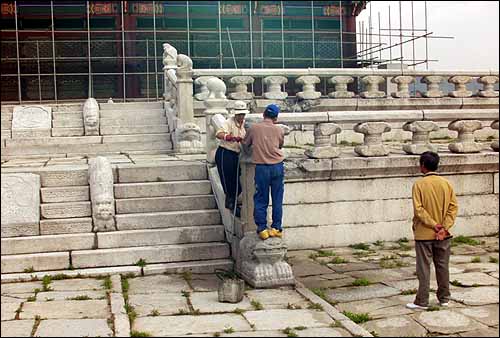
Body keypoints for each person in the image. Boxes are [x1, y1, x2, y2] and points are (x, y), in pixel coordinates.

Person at [406, 151, 458, 310]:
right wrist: (444, 227)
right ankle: (444, 298)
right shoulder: (446, 184)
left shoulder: (419, 185)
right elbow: (453, 208)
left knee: (424, 268)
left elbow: (419, 210)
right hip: (443, 235)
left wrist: (434, 225)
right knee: (443, 266)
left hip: (424, 233)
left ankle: (422, 301)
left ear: (422, 166)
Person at [243, 104, 285, 240]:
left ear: (264, 115)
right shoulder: (278, 129)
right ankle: (276, 228)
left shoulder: (254, 128)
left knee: (261, 198)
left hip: (261, 167)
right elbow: (279, 145)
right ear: (276, 118)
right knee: (277, 198)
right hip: (277, 166)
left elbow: (245, 144)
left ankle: (262, 229)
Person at [215, 100, 248, 217]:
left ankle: (234, 200)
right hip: (225, 152)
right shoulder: (229, 122)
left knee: (237, 179)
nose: (241, 117)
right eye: (239, 115)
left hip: (237, 154)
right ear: (235, 114)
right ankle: (230, 202)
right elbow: (218, 134)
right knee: (227, 178)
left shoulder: (245, 124)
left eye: (243, 115)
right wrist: (230, 137)